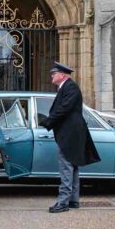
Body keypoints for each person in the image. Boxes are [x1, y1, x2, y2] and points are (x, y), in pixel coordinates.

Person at [40, 62, 100, 213]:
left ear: (63, 75)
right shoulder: (66, 87)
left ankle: (63, 202)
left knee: (66, 167)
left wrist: (48, 121)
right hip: (70, 133)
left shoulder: (70, 87)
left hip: (70, 134)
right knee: (72, 166)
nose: (52, 75)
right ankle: (73, 200)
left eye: (54, 73)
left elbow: (63, 109)